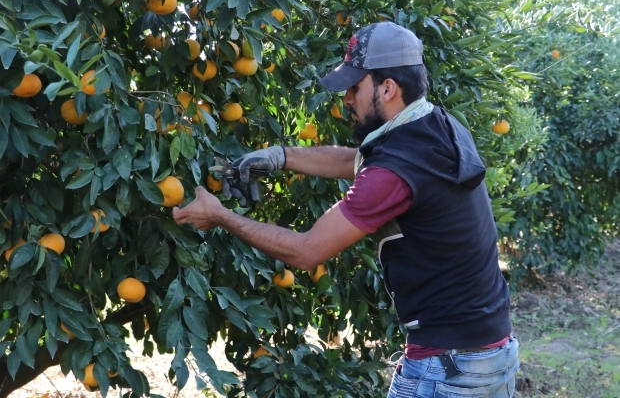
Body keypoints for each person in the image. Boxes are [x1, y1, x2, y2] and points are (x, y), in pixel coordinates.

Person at [172, 22, 519, 397]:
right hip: (488, 352)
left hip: (450, 368)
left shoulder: (394, 171)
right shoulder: (436, 126)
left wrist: (221, 215)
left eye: (355, 87)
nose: (347, 99)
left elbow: (307, 252)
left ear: (387, 88)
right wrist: (280, 156)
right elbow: (354, 161)